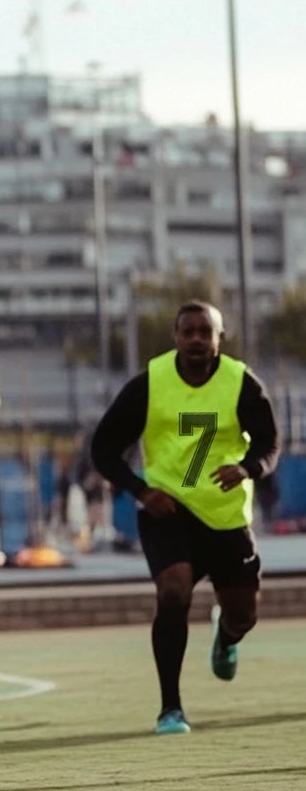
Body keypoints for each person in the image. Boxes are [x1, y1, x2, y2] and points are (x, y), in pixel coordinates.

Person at [90, 301, 279, 735]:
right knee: (172, 593)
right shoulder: (150, 384)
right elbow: (103, 448)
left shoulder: (241, 383)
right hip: (168, 512)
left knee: (243, 615)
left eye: (204, 332)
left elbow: (269, 444)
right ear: (175, 337)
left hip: (226, 517)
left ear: (219, 338)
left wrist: (247, 468)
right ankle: (170, 709)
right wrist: (141, 490)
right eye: (187, 331)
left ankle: (227, 636)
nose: (196, 339)